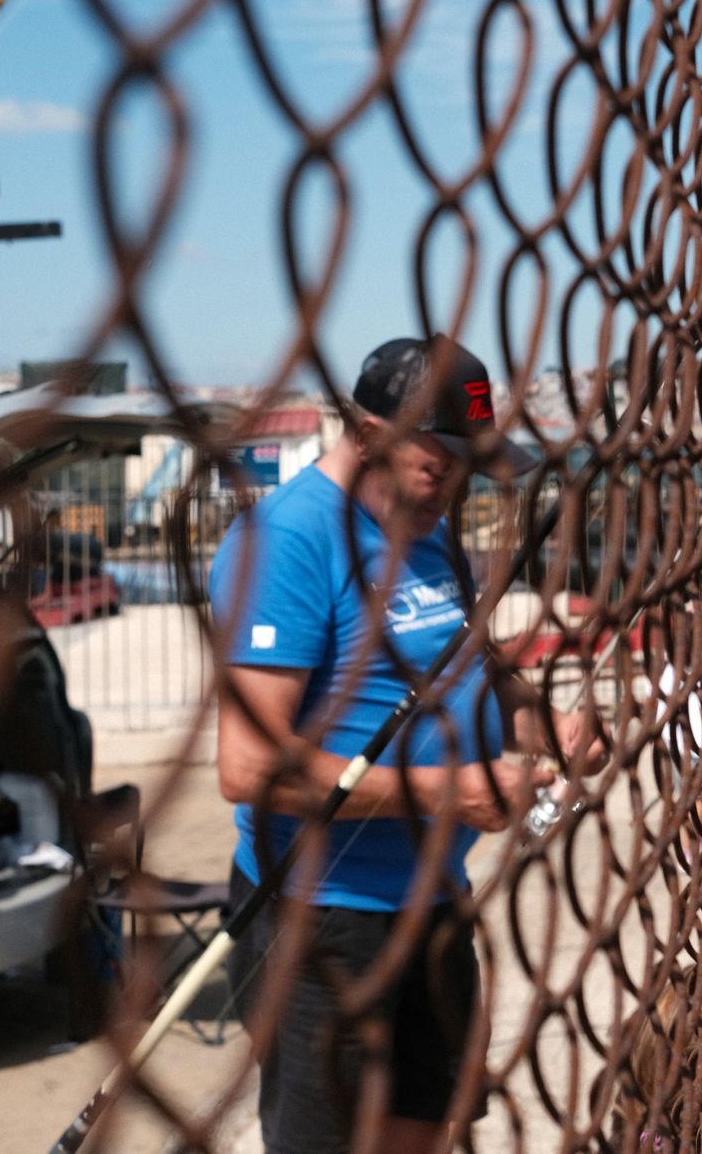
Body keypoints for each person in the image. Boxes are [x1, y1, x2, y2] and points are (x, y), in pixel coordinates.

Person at [211, 336, 600, 1154]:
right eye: (439, 461)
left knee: (426, 1126)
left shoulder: (427, 530)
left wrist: (547, 727)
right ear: (369, 430)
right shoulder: (287, 541)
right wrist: (447, 793)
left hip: (432, 906)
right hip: (323, 922)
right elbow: (248, 766)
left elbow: (469, 672)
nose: (456, 484)